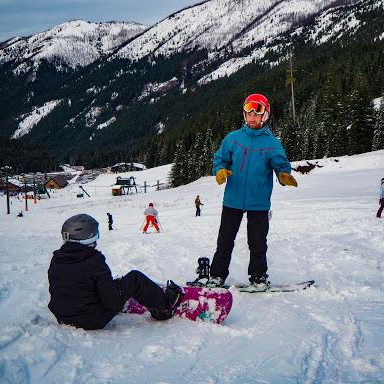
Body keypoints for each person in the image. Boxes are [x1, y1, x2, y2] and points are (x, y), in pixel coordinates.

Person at [207, 93, 298, 290]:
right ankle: (217, 276)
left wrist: (283, 175)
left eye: (256, 114)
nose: (251, 118)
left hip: (259, 201)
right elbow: (219, 160)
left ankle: (258, 277)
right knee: (225, 240)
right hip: (232, 199)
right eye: (248, 114)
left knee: (257, 243)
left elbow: (281, 165)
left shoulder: (272, 143)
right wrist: (219, 171)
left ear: (265, 115)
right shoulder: (233, 139)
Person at [48, 214, 183, 330]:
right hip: (91, 320)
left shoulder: (58, 258)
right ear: (89, 236)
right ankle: (165, 307)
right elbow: (111, 303)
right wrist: (115, 291)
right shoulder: (94, 261)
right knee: (135, 279)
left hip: (62, 317)